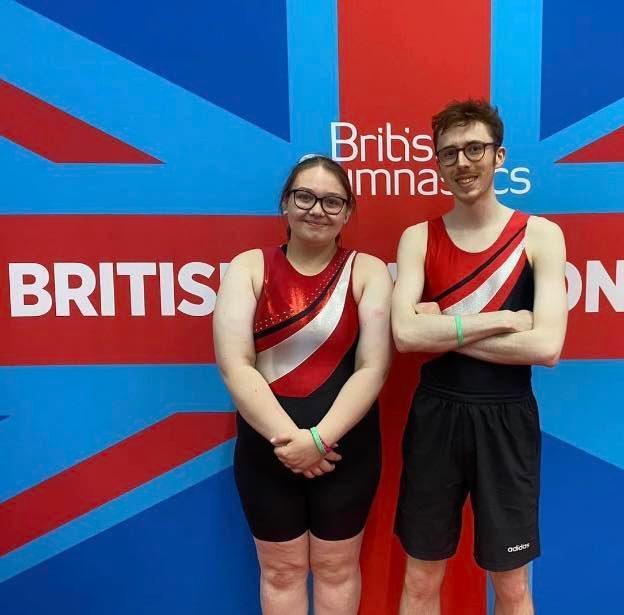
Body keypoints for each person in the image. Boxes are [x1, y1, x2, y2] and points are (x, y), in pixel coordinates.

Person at [391, 100, 568, 615]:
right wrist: (503, 320)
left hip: (507, 420)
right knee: (421, 578)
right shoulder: (418, 238)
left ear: (499, 156)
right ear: (437, 163)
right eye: (450, 153)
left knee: (511, 585)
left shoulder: (540, 235)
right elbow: (404, 336)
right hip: (436, 418)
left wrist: (438, 327)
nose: (462, 163)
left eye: (474, 149)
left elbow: (546, 347)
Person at [213, 155, 392, 615]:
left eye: (333, 201)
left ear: (349, 212)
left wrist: (318, 439)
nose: (318, 209)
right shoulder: (248, 268)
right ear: (285, 204)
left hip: (345, 451)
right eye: (305, 197)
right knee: (281, 571)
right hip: (266, 451)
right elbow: (236, 366)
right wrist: (289, 441)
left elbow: (373, 367)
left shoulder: (368, 271)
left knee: (336, 568)